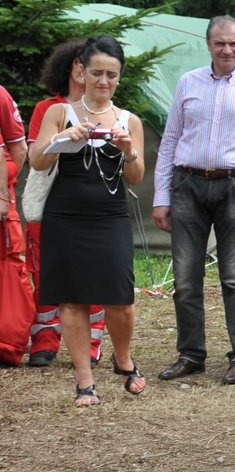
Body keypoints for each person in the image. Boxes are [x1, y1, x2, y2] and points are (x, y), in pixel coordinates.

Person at [153, 16, 235, 386]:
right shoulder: (187, 82)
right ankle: (191, 354)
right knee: (186, 278)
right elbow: (170, 140)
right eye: (220, 43)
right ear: (208, 44)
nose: (227, 49)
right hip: (188, 185)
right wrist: (162, 196)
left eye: (234, 43)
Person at [27, 37, 147, 406]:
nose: (103, 82)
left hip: (109, 218)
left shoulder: (129, 120)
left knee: (120, 300)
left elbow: (136, 178)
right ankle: (84, 382)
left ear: (119, 77)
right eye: (96, 73)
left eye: (111, 75)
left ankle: (123, 359)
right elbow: (36, 160)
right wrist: (62, 138)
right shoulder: (59, 113)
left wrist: (129, 151)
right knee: (73, 301)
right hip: (66, 217)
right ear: (81, 70)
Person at [24, 40, 104, 368]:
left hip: (89, 202)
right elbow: (35, 157)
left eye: (97, 67)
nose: (89, 72)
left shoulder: (106, 108)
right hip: (52, 200)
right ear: (71, 66)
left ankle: (91, 340)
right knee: (45, 269)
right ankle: (45, 337)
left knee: (92, 269)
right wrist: (61, 139)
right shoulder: (48, 108)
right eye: (83, 64)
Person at [0, 83, 28, 366]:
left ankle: (7, 342)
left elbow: (18, 149)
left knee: (8, 267)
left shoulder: (0, 95)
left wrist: (3, 190)